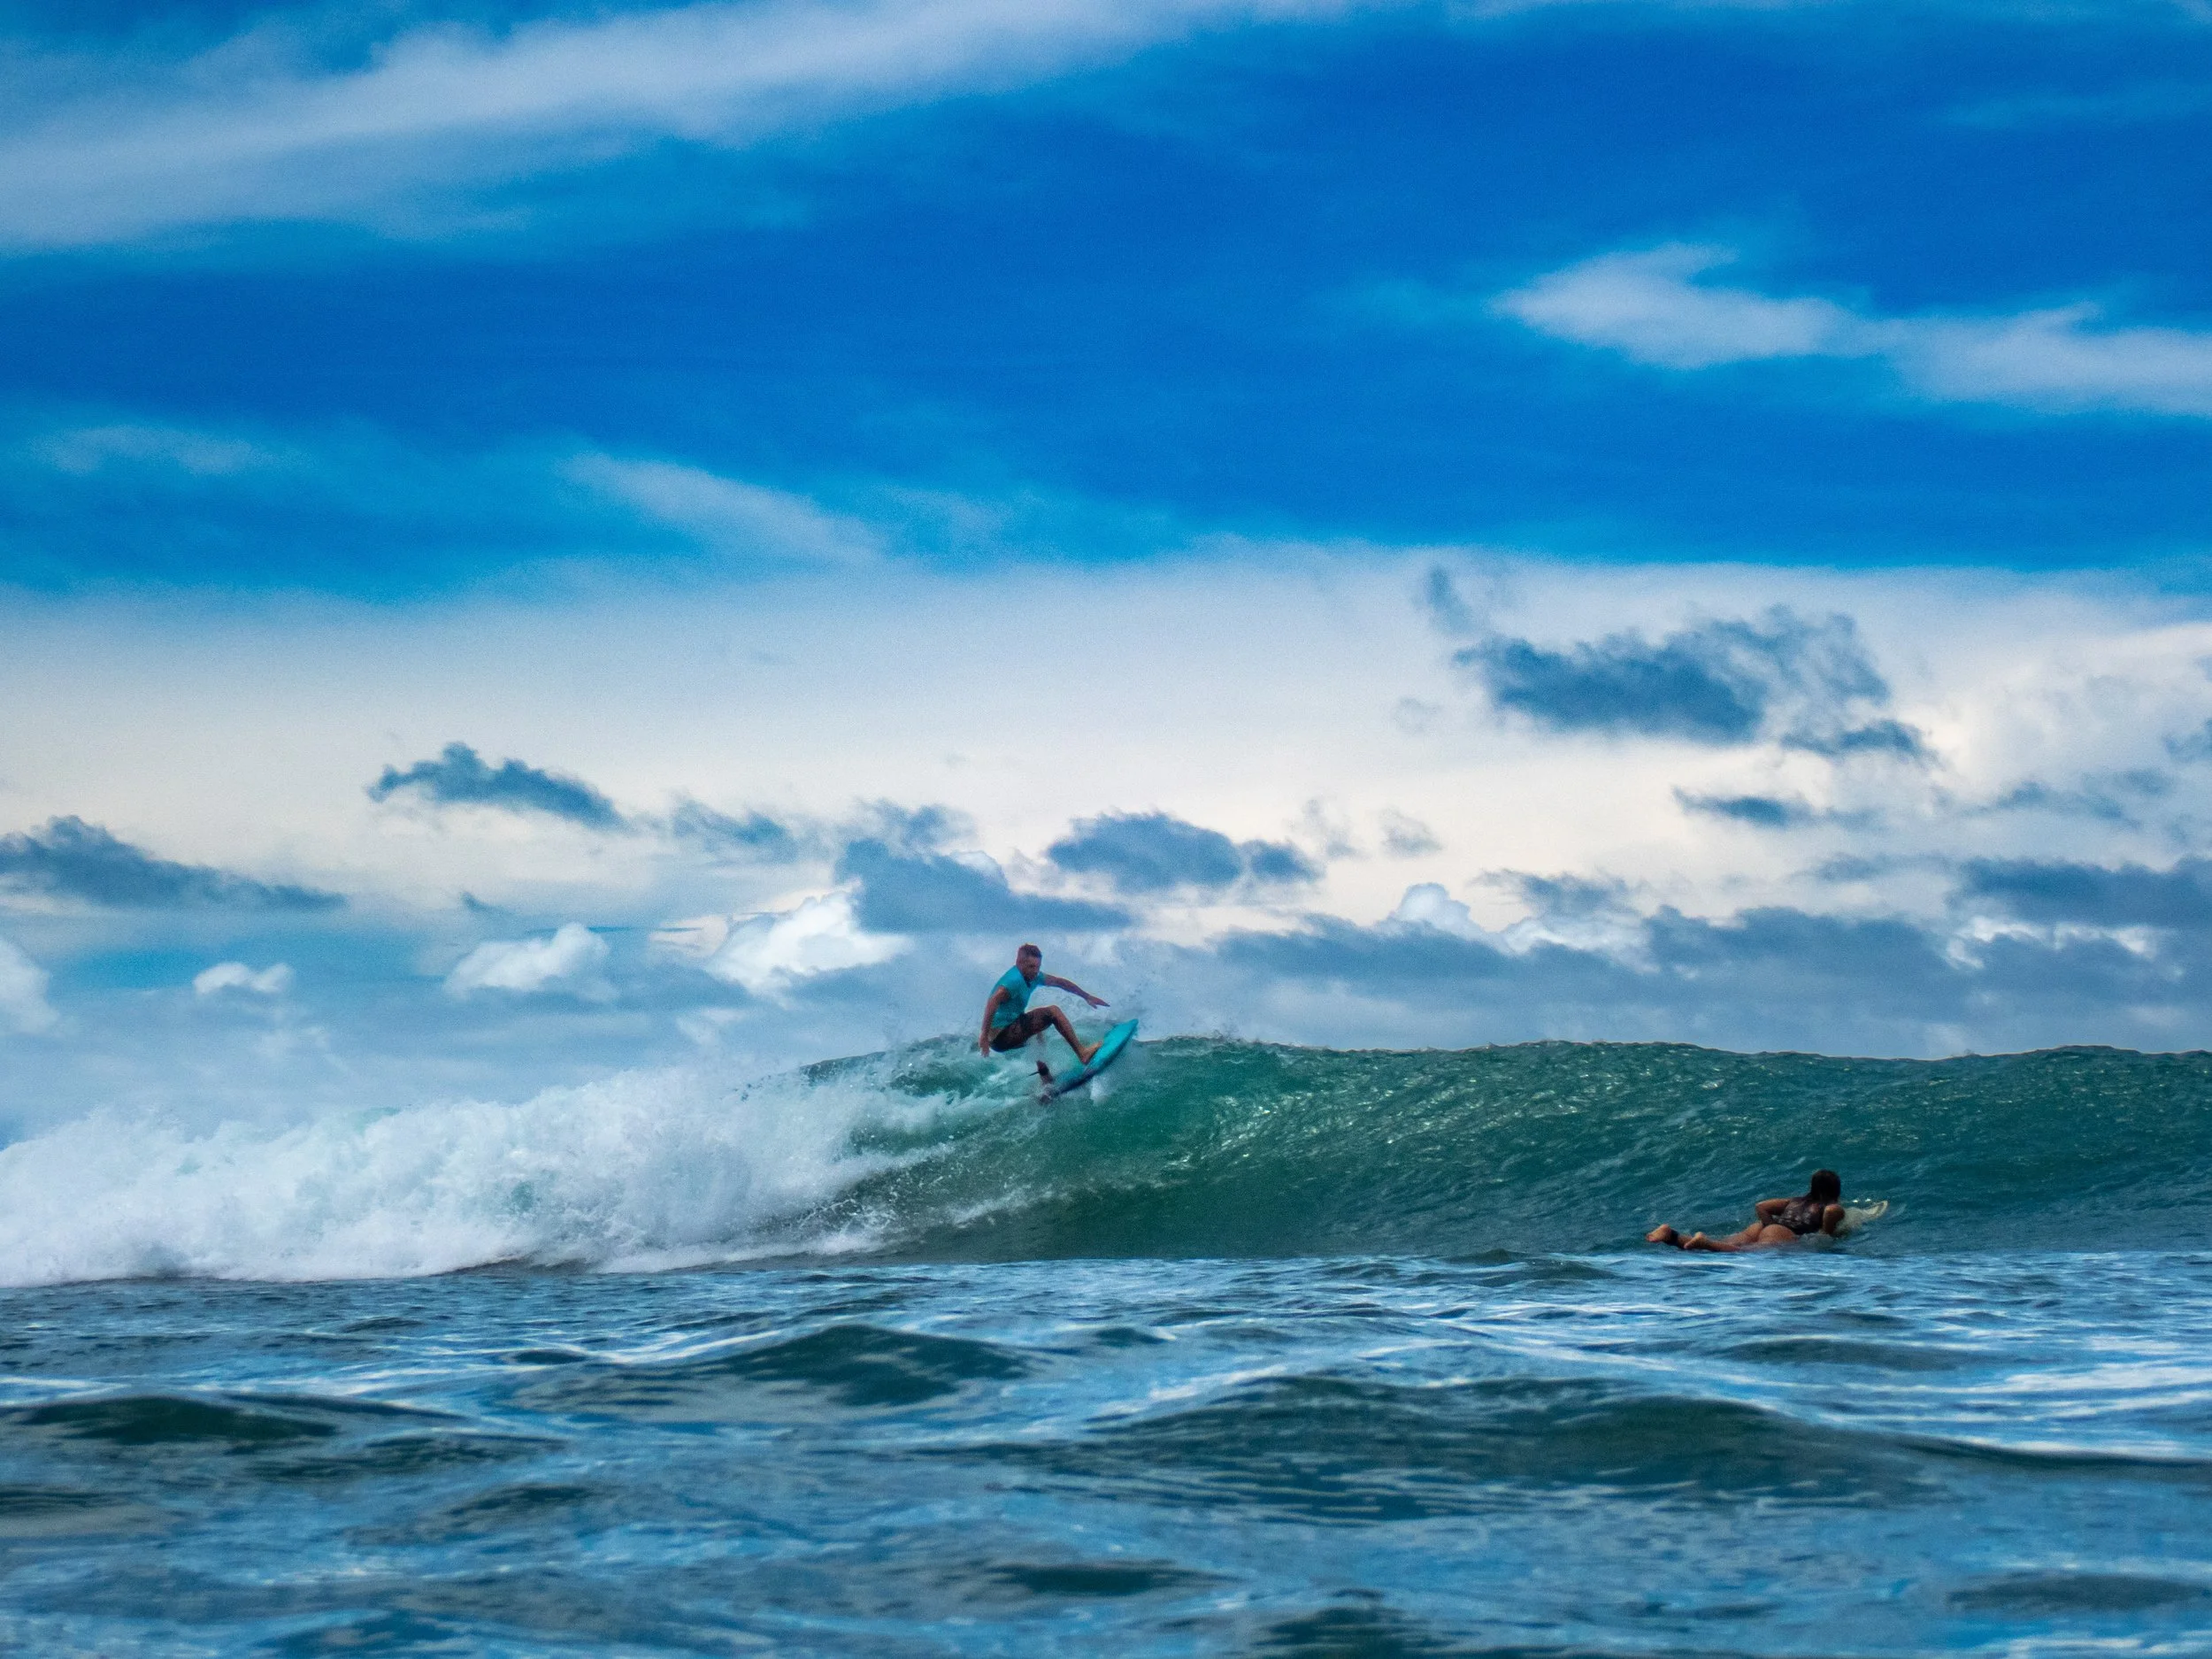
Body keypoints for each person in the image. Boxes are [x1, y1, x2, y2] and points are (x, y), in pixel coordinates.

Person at [979, 943, 1108, 1078]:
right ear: (1019, 963)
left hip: (1008, 1030)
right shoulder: (1014, 981)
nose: (1035, 971)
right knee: (1053, 1012)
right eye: (1031, 967)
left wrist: (1087, 996)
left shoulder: (1034, 977)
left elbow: (1060, 982)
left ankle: (1046, 1079)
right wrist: (983, 1035)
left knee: (1037, 1031)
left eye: (1038, 967)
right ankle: (1083, 1053)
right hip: (1001, 1036)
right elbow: (992, 1001)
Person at [1647, 1169, 1846, 1252]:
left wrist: (1769, 1226)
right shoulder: (1831, 1207)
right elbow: (1831, 1213)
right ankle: (1705, 1243)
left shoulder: (1794, 1201)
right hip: (1783, 1232)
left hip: (1761, 1226)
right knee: (1742, 1253)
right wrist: (1827, 1234)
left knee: (1726, 1243)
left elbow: (1762, 1206)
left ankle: (1670, 1234)